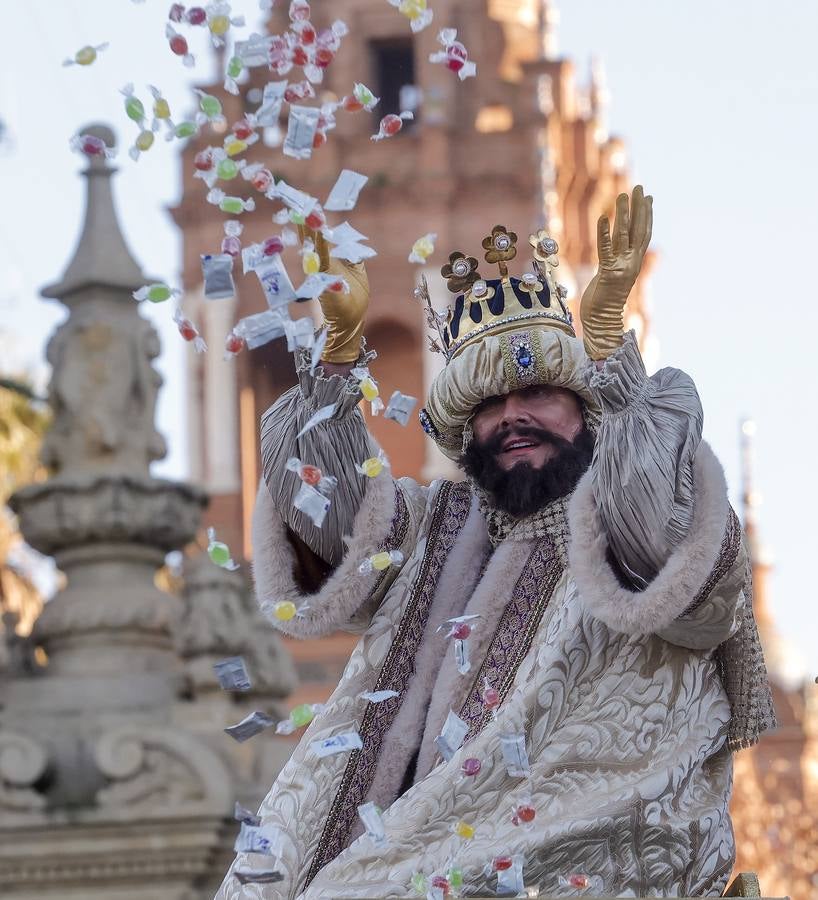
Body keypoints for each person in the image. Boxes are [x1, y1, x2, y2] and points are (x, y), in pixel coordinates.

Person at [217, 187, 775, 898]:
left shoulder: (633, 508)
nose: (514, 418)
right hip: (386, 855)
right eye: (488, 406)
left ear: (586, 405)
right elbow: (324, 522)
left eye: (538, 394)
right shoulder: (434, 528)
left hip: (577, 858)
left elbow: (675, 555)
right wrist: (335, 363)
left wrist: (607, 344)